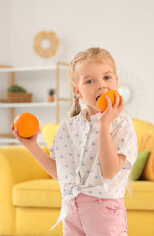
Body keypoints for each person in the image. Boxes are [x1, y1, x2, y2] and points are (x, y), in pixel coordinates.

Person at [11, 47, 137, 236]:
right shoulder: (69, 127)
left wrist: (104, 125)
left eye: (107, 77)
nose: (101, 85)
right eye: (90, 80)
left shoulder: (122, 124)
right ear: (77, 91)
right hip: (72, 209)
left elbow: (110, 170)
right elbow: (63, 173)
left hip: (104, 211)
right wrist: (32, 146)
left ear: (116, 81)